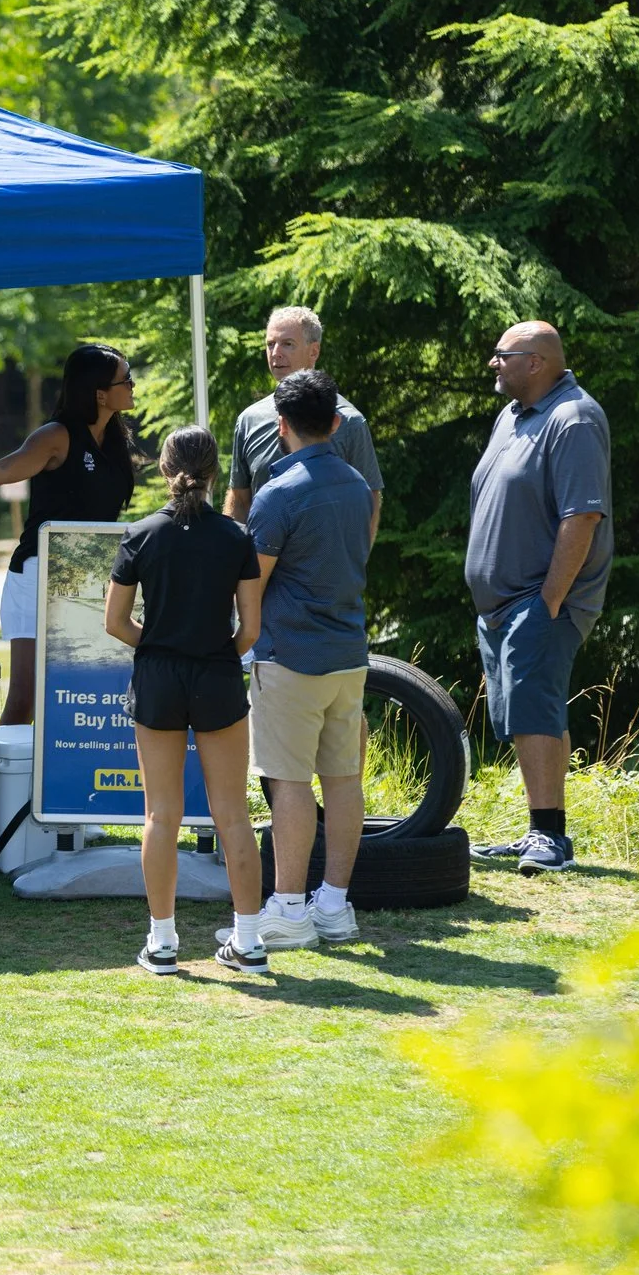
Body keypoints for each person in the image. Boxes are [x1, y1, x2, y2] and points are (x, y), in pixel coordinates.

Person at [103, 427, 266, 974]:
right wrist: (214, 651)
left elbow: (115, 622)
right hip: (217, 673)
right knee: (233, 815)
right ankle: (248, 941)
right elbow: (250, 630)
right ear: (216, 471)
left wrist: (157, 644)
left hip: (159, 676)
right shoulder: (235, 536)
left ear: (162, 468)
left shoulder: (142, 533)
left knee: (160, 815)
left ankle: (164, 944)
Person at [0, 344, 139, 724]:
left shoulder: (116, 439)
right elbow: (4, 469)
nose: (132, 384)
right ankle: (6, 781)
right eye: (125, 377)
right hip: (37, 574)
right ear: (99, 392)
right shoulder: (57, 436)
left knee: (88, 693)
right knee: (26, 699)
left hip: (92, 580)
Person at [236, 369, 375, 971]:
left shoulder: (278, 492)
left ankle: (290, 908)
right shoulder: (355, 483)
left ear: (281, 426)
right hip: (349, 654)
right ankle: (334, 906)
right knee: (344, 778)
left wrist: (238, 642)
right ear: (338, 423)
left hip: (290, 657)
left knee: (286, 782)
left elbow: (252, 584)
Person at [464, 321, 612, 875]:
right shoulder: (514, 415)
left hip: (540, 600)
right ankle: (539, 829)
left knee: (535, 708)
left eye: (502, 355)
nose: (492, 364)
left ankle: (550, 838)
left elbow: (584, 516)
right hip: (503, 603)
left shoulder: (573, 419)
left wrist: (549, 600)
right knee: (522, 712)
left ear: (536, 362)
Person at [224, 307, 384, 543]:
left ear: (314, 351)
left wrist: (353, 568)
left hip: (323, 573)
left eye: (287, 344)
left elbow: (369, 500)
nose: (276, 353)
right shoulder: (249, 419)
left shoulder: (349, 421)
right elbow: (239, 498)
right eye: (270, 344)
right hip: (261, 571)